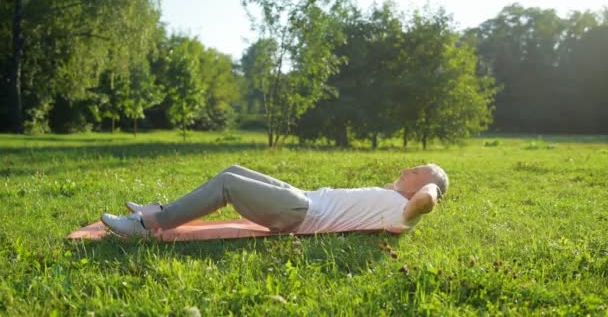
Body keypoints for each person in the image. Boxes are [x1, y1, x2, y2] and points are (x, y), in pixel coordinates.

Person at [101, 163, 449, 237]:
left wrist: (433, 187)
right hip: (302, 198)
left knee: (227, 183)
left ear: (425, 184)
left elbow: (428, 200)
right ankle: (165, 210)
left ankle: (150, 225)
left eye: (419, 169)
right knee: (233, 169)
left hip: (300, 213)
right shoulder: (390, 195)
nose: (409, 168)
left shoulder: (404, 211)